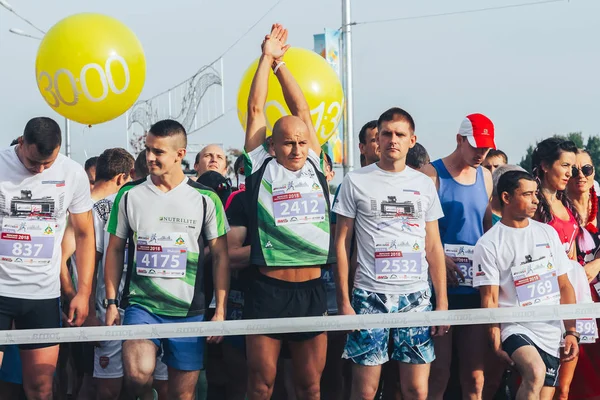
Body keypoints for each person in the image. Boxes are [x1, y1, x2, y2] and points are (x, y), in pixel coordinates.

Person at [104, 119, 230, 400]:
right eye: (148, 149)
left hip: (189, 310)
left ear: (180, 154)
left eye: (158, 151)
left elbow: (220, 255)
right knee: (138, 375)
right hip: (142, 306)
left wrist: (219, 310)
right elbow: (114, 249)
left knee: (182, 395)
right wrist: (111, 302)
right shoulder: (129, 194)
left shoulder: (205, 197)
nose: (149, 157)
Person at [242, 24, 335, 400]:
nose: (297, 149)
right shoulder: (260, 164)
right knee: (261, 386)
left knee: (310, 387)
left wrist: (282, 65)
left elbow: (302, 109)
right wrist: (265, 58)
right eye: (288, 143)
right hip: (268, 290)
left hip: (312, 290)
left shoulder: (315, 161)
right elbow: (255, 108)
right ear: (273, 145)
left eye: (301, 141)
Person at [333, 107, 449, 400]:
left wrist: (442, 303)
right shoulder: (356, 181)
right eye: (386, 134)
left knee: (415, 390)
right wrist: (344, 302)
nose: (392, 140)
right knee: (365, 391)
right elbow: (342, 244)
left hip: (415, 298)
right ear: (378, 139)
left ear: (412, 140)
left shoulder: (423, 184)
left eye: (399, 134)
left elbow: (433, 246)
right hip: (369, 296)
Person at [0, 117, 95, 399]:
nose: (39, 170)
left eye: (47, 164)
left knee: (41, 387)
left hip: (42, 294)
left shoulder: (72, 173)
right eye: (32, 163)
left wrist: (84, 292)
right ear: (21, 142)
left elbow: (85, 235)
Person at [474, 170, 580, 400]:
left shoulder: (547, 233)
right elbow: (489, 298)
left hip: (551, 330)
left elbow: (564, 286)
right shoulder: (489, 243)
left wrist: (571, 331)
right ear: (506, 197)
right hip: (516, 327)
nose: (535, 200)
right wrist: (494, 340)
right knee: (535, 371)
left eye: (536, 194)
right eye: (528, 194)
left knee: (544, 394)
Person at [421, 113, 495, 400]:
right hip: (439, 286)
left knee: (475, 377)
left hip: (475, 287)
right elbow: (417, 229)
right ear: (459, 139)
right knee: (438, 374)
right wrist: (438, 258)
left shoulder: (486, 175)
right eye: (476, 145)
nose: (481, 153)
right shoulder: (431, 174)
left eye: (486, 148)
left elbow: (487, 226)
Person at [560, 149, 600, 400]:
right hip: (574, 295)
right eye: (574, 170)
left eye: (587, 169)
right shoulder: (554, 206)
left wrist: (598, 264)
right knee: (577, 367)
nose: (581, 176)